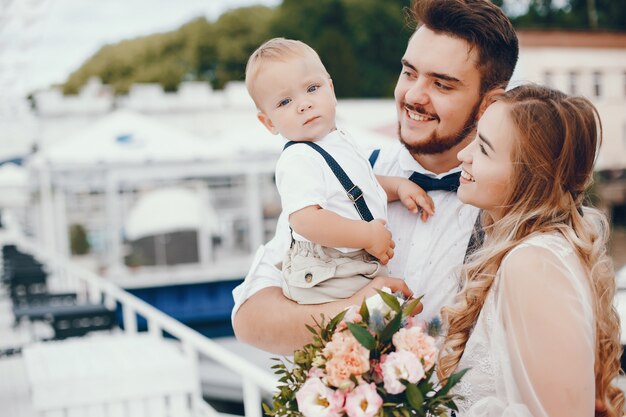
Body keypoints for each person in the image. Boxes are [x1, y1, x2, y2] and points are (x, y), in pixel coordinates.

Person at [232, 0, 519, 354]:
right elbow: (249, 318)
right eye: (409, 73)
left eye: (442, 85)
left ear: (490, 103)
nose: (413, 96)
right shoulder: (333, 172)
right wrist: (355, 311)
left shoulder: (519, 207)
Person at [437, 84, 624, 417]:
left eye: (483, 148)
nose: (463, 155)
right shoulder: (526, 254)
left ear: (527, 177)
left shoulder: (534, 264)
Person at [245, 38, 434, 305]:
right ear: (268, 122)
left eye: (312, 88)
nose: (304, 104)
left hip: (347, 266)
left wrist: (397, 187)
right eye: (285, 101)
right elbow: (306, 220)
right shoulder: (299, 157)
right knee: (368, 326)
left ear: (331, 89)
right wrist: (367, 235)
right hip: (331, 271)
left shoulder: (337, 141)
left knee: (382, 324)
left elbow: (355, 187)